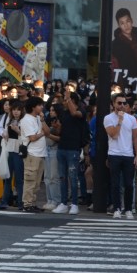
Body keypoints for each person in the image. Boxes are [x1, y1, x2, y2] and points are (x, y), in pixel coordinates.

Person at [104, 93, 137, 219]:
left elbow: (136, 138)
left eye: (124, 103)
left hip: (128, 154)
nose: (122, 105)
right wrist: (119, 121)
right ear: (114, 104)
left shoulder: (132, 119)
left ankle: (128, 208)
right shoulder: (108, 118)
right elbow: (113, 135)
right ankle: (117, 208)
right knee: (115, 183)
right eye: (119, 103)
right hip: (114, 154)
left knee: (129, 184)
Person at [52, 88, 85, 216]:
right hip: (62, 148)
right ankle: (63, 203)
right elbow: (62, 130)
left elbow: (74, 113)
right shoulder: (64, 113)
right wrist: (57, 128)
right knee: (62, 177)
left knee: (73, 176)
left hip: (73, 149)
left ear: (73, 101)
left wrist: (68, 98)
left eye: (67, 100)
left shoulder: (81, 111)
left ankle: (75, 204)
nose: (64, 102)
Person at [20, 96, 49, 212]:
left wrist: (42, 121)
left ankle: (32, 202)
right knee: (30, 180)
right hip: (32, 154)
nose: (42, 107)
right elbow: (32, 138)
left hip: (40, 153)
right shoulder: (26, 120)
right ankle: (27, 204)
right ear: (33, 107)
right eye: (39, 105)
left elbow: (47, 132)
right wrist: (41, 133)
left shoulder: (38, 118)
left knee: (37, 182)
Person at [111, 8, 137, 85]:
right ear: (119, 25)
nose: (126, 25)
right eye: (122, 23)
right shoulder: (115, 44)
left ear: (131, 21)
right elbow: (117, 68)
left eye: (128, 21)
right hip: (128, 83)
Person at [0, 100, 25, 209]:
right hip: (9, 150)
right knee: (7, 178)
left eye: (18, 110)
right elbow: (3, 131)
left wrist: (17, 130)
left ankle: (20, 202)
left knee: (19, 178)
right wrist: (5, 134)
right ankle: (5, 201)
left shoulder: (24, 121)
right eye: (14, 109)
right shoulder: (9, 120)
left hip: (19, 151)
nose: (16, 112)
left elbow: (26, 137)